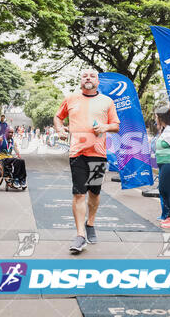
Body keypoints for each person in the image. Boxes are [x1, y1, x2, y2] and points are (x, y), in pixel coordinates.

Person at [54, 69, 120, 254]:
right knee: (79, 194)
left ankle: (90, 223)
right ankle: (80, 235)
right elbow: (58, 117)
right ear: (80, 80)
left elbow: (115, 125)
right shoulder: (71, 99)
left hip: (98, 153)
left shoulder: (107, 101)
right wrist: (59, 130)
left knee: (94, 193)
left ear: (98, 81)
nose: (88, 78)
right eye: (85, 76)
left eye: (92, 76)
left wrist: (105, 126)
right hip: (77, 153)